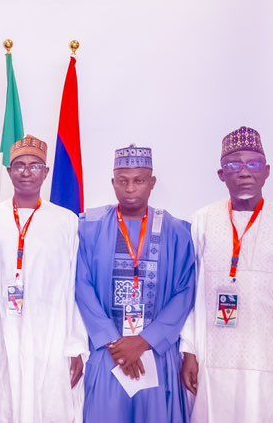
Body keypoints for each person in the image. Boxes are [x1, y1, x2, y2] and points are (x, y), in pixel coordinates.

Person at [180, 126, 273, 421]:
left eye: (253, 164)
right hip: (214, 364)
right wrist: (189, 349)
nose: (244, 172)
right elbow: (187, 293)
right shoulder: (202, 221)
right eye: (233, 164)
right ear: (221, 174)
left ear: (267, 171)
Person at [0, 135, 86, 423]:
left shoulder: (66, 221)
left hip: (51, 334)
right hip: (1, 330)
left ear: (46, 172)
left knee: (49, 403)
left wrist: (75, 346)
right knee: (3, 403)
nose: (26, 172)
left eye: (35, 166)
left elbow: (74, 286)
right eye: (19, 165)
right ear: (9, 172)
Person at [75, 145, 195, 422]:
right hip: (109, 353)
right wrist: (114, 341)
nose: (130, 188)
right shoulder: (89, 228)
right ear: (113, 182)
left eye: (139, 180)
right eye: (123, 180)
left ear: (152, 183)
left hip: (156, 353)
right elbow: (82, 286)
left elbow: (185, 292)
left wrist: (144, 341)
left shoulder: (177, 231)